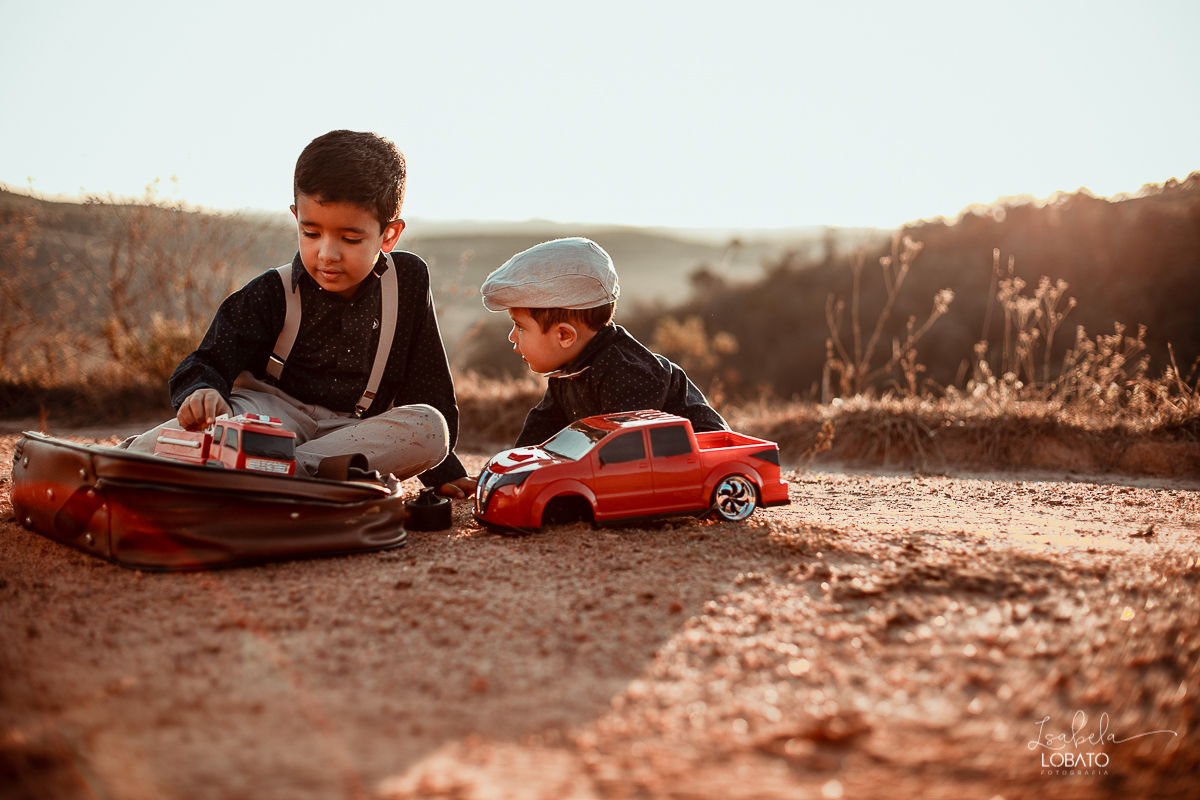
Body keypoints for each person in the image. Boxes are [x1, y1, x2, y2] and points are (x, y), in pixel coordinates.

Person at [122, 130, 475, 497]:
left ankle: (265, 474)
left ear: (389, 236)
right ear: (296, 218)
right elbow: (206, 361)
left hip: (347, 433)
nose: (327, 253)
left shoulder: (408, 284)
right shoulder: (271, 291)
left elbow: (427, 383)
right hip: (265, 417)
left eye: (350, 239)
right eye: (311, 232)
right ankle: (132, 461)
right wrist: (202, 391)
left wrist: (443, 473)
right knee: (208, 430)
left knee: (431, 429)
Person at [480, 237, 729, 447]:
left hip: (698, 456)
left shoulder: (626, 371)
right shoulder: (570, 370)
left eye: (520, 326)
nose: (512, 336)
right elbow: (543, 425)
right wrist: (515, 468)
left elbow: (626, 447)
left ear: (565, 335)